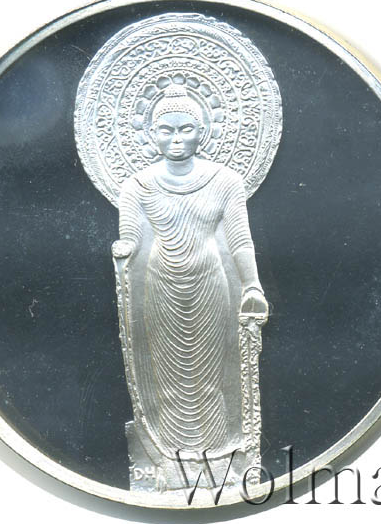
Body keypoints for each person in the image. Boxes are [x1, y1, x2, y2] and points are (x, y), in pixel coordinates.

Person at [114, 83, 268, 491]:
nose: (176, 139)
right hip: (160, 286)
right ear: (151, 133)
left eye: (185, 129)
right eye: (166, 130)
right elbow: (130, 239)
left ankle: (218, 461)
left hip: (212, 286)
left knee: (213, 374)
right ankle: (173, 462)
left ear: (203, 132)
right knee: (168, 376)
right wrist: (123, 250)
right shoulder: (137, 186)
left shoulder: (226, 181)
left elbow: (240, 240)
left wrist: (252, 286)